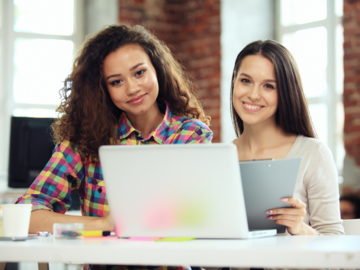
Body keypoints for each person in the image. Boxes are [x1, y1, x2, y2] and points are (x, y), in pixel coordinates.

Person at [16, 24, 213, 270]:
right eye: (117, 81)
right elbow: (27, 214)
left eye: (139, 73)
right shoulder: (84, 140)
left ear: (157, 70)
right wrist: (103, 224)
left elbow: (197, 219)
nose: (132, 88)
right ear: (103, 90)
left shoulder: (190, 134)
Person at [230, 40, 343, 235]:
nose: (254, 95)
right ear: (234, 80)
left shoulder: (313, 153)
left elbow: (335, 242)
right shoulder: (222, 156)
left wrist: (300, 229)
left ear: (285, 92)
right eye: (246, 81)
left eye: (269, 86)